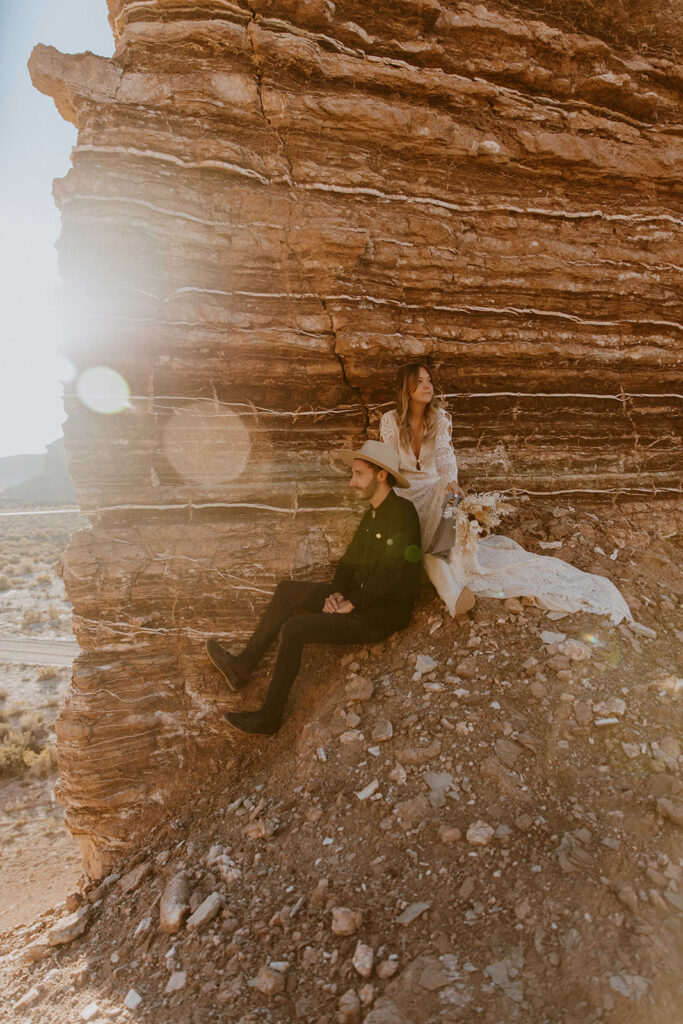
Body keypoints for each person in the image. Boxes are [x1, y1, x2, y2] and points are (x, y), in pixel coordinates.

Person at [380, 363, 631, 623]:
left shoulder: (439, 418)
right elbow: (388, 463)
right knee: (421, 547)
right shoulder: (390, 421)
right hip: (406, 493)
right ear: (405, 389)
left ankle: (451, 581)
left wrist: (452, 482)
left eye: (429, 380)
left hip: (434, 488)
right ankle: (452, 594)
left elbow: (445, 455)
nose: (427, 386)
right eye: (420, 381)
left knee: (448, 511)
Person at [207, 440, 422, 735]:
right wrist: (335, 593)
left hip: (381, 614)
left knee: (294, 630)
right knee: (286, 591)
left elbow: (392, 572)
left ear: (381, 475)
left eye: (358, 474)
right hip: (362, 599)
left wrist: (352, 603)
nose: (352, 481)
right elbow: (348, 563)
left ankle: (269, 717)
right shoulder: (372, 515)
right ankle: (241, 668)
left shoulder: (403, 513)